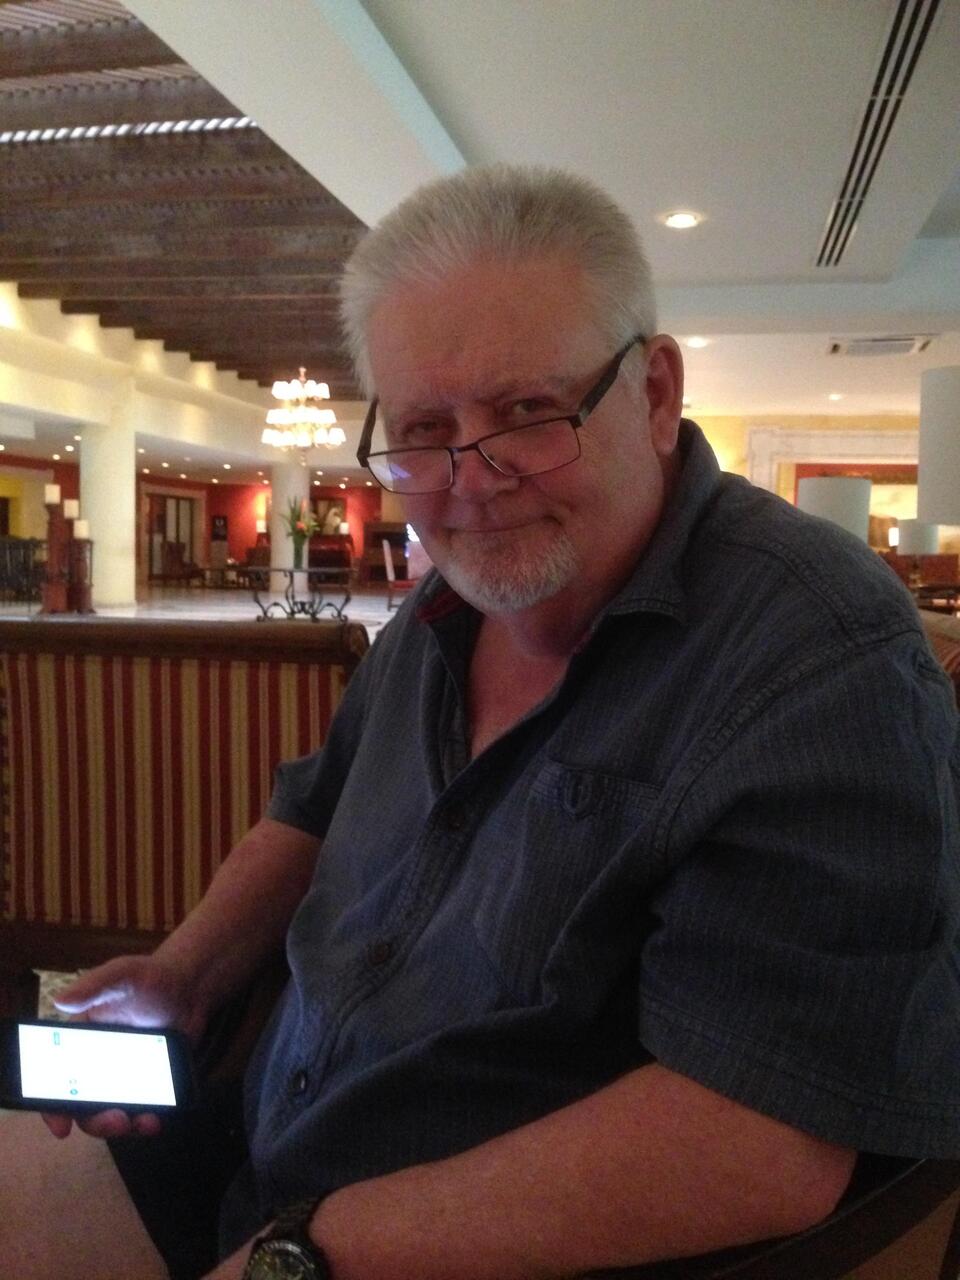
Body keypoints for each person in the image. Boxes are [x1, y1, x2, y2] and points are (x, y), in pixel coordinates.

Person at [3, 164, 959, 1280]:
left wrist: (311, 1249)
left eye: (527, 411)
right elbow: (308, 813)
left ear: (654, 393)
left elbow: (760, 1138)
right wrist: (188, 970)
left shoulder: (820, 655)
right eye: (423, 429)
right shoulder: (440, 605)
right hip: (271, 1144)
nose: (472, 476)